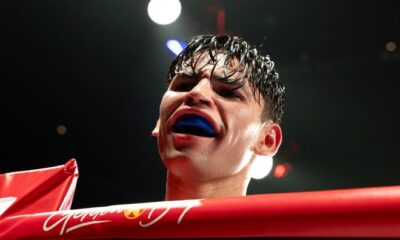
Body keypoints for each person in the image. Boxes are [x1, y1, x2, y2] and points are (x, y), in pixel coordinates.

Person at [152, 35, 285, 200]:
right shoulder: (112, 224)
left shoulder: (313, 226)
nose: (196, 93)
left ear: (267, 140)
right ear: (159, 123)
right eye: (184, 86)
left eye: (227, 92)